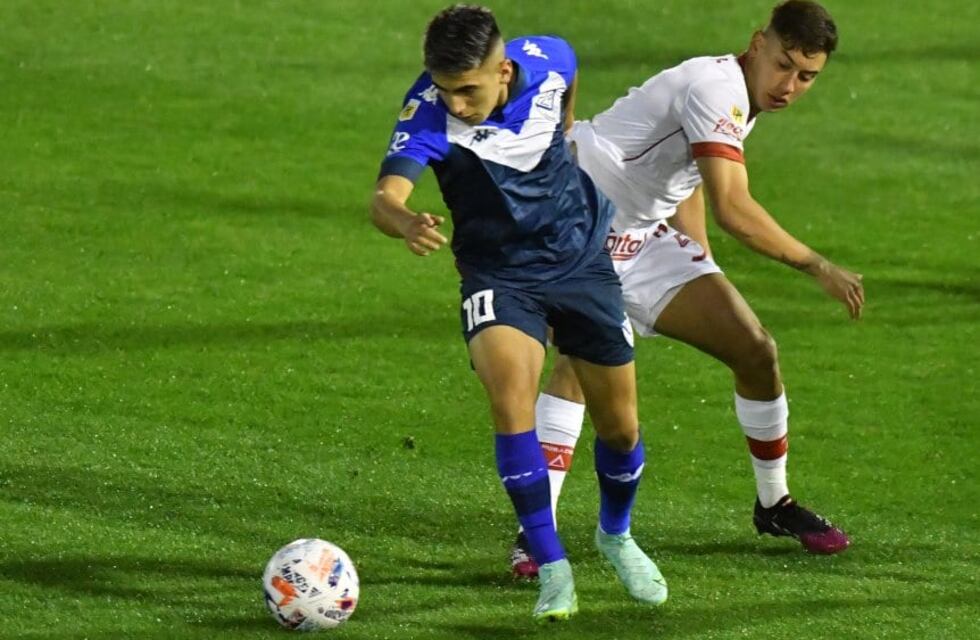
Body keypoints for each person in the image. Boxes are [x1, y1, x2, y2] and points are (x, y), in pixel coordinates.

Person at [510, 0, 863, 579]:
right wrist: (817, 265)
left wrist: (699, 261)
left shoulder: (740, 96)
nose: (789, 86)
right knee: (581, 366)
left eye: (807, 76)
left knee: (755, 350)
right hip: (575, 225)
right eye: (783, 65)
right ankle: (535, 534)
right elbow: (734, 207)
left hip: (639, 238)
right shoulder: (715, 87)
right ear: (757, 43)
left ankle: (774, 503)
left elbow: (687, 174)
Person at [370, 4, 669, 620]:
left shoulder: (548, 60)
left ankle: (615, 535)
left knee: (621, 428)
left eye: (468, 91)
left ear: (503, 71)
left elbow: (568, 74)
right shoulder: (426, 113)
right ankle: (552, 567)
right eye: (446, 89)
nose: (455, 104)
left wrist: (566, 129)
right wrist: (404, 222)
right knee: (512, 402)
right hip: (499, 277)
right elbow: (385, 197)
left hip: (580, 260)